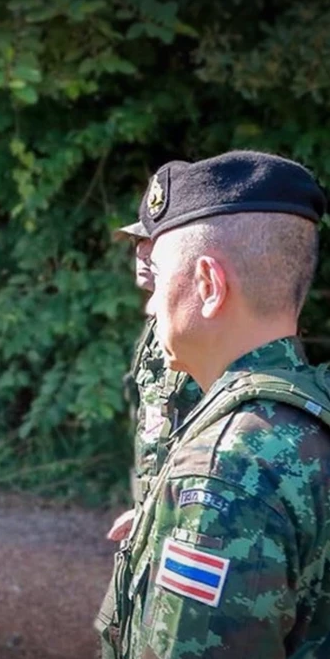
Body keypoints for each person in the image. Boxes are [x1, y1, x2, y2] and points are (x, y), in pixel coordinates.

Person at [96, 151, 330, 659]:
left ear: (209, 284)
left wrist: (209, 510)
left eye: (156, 282)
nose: (151, 305)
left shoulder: (228, 469)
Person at [104, 223, 203, 543]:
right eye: (137, 241)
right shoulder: (158, 323)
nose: (141, 251)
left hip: (192, 518)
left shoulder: (201, 329)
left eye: (153, 240)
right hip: (158, 509)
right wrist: (147, 508)